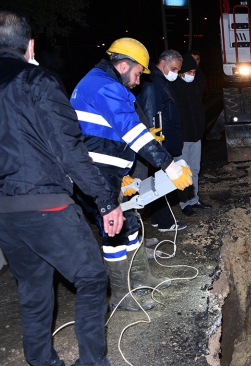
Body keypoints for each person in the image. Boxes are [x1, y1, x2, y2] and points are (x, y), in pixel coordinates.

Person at [0, 11, 141, 366]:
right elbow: (70, 148)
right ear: (30, 46)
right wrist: (106, 201)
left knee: (32, 288)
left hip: (6, 213)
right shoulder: (36, 79)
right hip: (46, 202)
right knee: (92, 278)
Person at [71, 39, 192, 311]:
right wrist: (169, 167)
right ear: (123, 65)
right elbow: (132, 133)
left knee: (130, 221)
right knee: (114, 231)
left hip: (104, 172)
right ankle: (122, 296)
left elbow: (104, 133)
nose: (138, 81)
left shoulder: (100, 83)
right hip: (95, 175)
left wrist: (120, 174)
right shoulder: (105, 86)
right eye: (138, 73)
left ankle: (141, 278)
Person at [137, 49, 191, 228]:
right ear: (163, 63)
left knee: (156, 180)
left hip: (165, 140)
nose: (176, 73)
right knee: (161, 182)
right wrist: (156, 144)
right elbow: (149, 115)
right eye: (174, 69)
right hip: (159, 142)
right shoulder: (153, 84)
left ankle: (157, 219)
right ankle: (165, 222)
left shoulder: (161, 81)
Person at [171, 53, 211, 216]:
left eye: (194, 72)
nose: (192, 75)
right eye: (190, 72)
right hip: (182, 138)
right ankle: (184, 203)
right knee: (182, 172)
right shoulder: (174, 88)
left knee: (195, 169)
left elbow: (199, 108)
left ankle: (194, 199)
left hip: (195, 136)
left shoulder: (194, 86)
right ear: (182, 72)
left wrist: (201, 128)